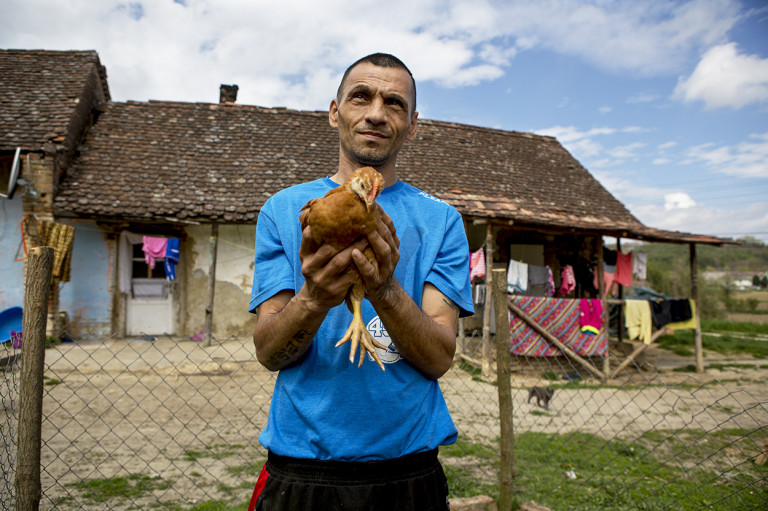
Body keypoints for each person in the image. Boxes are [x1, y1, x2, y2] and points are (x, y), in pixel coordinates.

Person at [248, 52, 473, 510]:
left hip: (407, 466)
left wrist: (386, 290)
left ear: (412, 125)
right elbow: (269, 353)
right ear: (335, 112)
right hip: (303, 465)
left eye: (394, 103)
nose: (375, 112)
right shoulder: (284, 210)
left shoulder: (442, 221)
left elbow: (439, 358)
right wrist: (313, 299)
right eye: (361, 97)